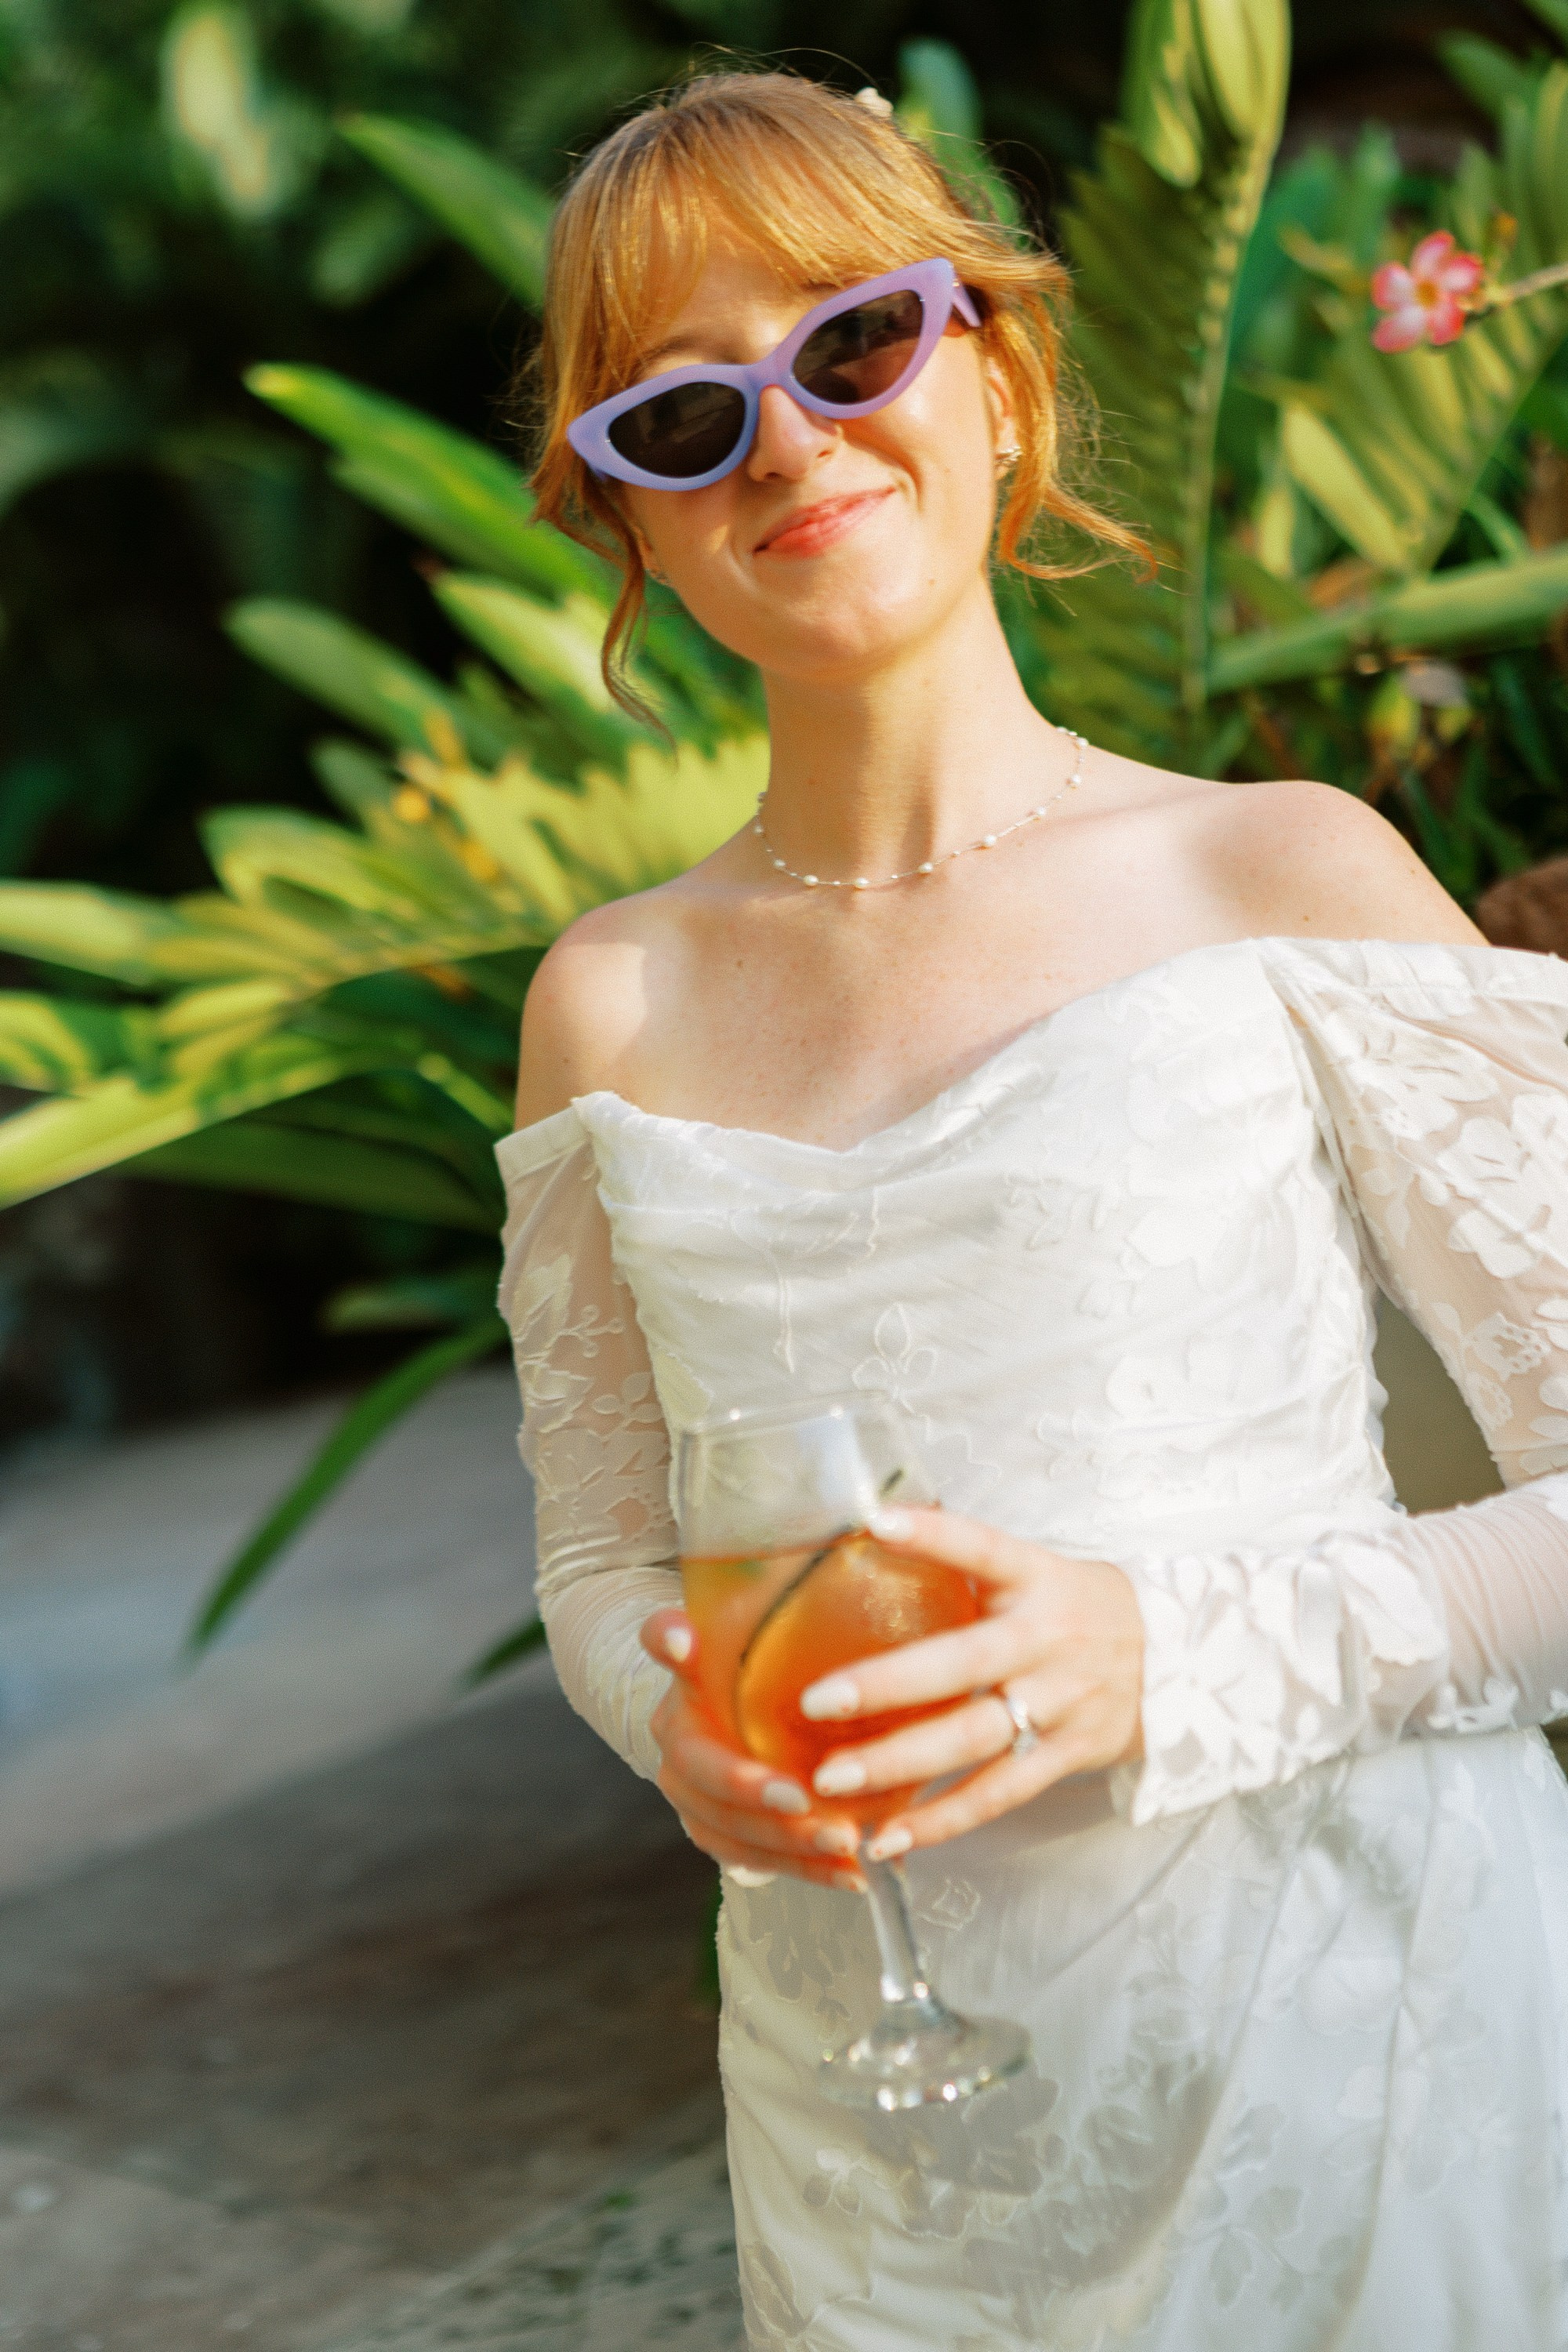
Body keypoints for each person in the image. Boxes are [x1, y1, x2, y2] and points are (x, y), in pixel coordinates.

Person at [496, 67, 1568, 2349]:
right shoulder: (610, 1001)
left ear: (999, 366)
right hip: (880, 2134)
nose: (787, 441)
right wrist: (663, 1722)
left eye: (853, 342)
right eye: (680, 425)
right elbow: (602, 1555)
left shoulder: (1280, 873)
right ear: (631, 527)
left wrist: (1157, 1655)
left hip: (1347, 2048)